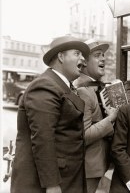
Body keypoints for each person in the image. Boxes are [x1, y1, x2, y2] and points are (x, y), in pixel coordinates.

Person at [11, 36, 90, 193]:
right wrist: (52, 184)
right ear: (61, 57)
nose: (83, 60)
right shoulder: (45, 85)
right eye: (77, 53)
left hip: (67, 178)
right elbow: (43, 138)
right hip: (51, 184)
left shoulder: (59, 85)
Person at [74, 39, 118, 193]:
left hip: (98, 164)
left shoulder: (99, 87)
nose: (103, 59)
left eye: (104, 55)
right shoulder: (82, 91)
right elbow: (84, 135)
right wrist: (111, 118)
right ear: (84, 62)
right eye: (97, 55)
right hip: (87, 167)